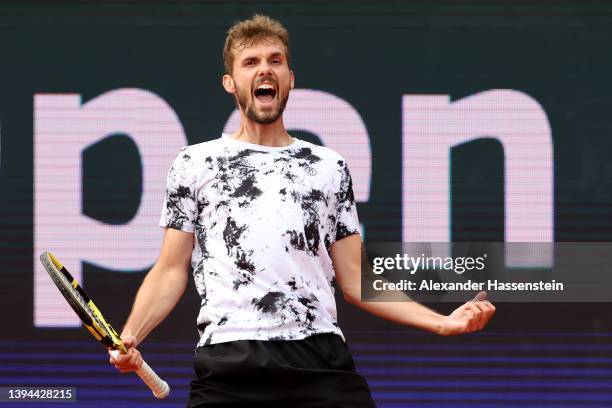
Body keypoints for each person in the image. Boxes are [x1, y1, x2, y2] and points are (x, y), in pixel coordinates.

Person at [110, 14, 496, 407]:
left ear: (290, 78)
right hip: (230, 362)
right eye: (251, 62)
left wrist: (442, 322)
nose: (265, 69)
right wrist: (132, 334)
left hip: (319, 359)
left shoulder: (328, 167)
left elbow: (355, 279)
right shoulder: (195, 163)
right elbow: (171, 267)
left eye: (275, 61)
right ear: (230, 83)